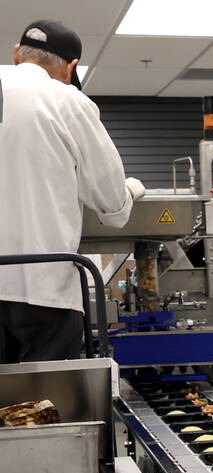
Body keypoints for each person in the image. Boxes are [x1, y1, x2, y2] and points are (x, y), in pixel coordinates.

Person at [0, 20, 144, 362]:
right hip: (44, 291)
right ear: (71, 67)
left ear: (16, 53)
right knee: (44, 407)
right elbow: (114, 208)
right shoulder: (69, 102)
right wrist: (132, 190)